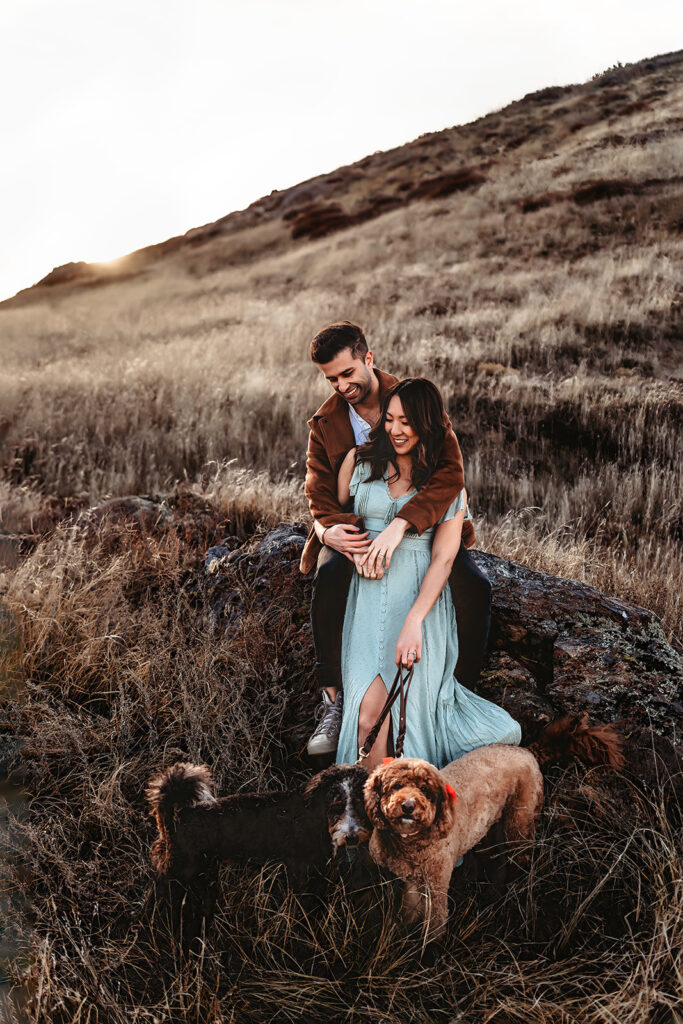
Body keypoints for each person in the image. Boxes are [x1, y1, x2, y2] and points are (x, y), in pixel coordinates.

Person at [301, 321, 492, 757]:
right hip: (355, 525)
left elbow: (450, 473)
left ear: (368, 358)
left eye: (348, 373)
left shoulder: (413, 400)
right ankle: (332, 699)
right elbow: (318, 488)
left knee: (475, 587)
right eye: (332, 379)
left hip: (418, 526)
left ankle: (452, 693)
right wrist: (328, 529)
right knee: (329, 577)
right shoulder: (326, 422)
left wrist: (403, 523)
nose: (342, 385)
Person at [315, 378, 521, 770]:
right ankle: (363, 812)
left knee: (399, 724)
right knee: (366, 719)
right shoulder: (359, 464)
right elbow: (329, 514)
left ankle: (403, 811)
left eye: (406, 422)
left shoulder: (446, 484)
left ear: (426, 424)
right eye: (389, 420)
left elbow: (444, 558)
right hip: (364, 596)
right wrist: (332, 534)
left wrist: (414, 621)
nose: (395, 430)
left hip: (418, 597)